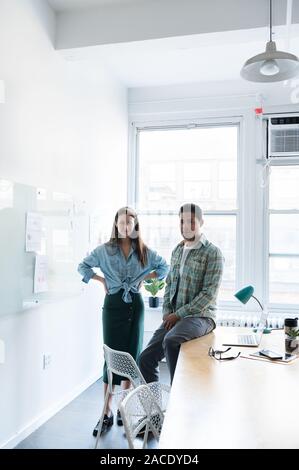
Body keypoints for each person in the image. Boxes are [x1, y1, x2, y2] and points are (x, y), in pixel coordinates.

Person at [77, 206, 168, 436]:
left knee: (131, 356)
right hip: (113, 306)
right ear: (116, 225)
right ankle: (106, 411)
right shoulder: (104, 250)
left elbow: (164, 268)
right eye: (122, 222)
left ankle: (122, 406)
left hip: (135, 307)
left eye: (130, 222)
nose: (125, 226)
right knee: (111, 358)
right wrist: (100, 280)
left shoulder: (144, 251)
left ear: (135, 226)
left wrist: (145, 277)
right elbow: (82, 266)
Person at [138, 203, 224, 385]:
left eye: (191, 221)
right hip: (175, 317)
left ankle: (179, 396)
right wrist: (167, 313)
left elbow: (208, 294)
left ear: (201, 222)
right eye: (182, 221)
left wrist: (178, 314)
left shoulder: (213, 253)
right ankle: (154, 412)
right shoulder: (177, 250)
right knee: (145, 359)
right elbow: (170, 285)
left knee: (171, 340)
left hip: (201, 317)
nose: (186, 226)